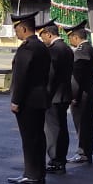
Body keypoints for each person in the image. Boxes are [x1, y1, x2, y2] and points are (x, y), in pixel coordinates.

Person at [7, 11, 50, 184]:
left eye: (16, 29)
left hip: (28, 101)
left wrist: (16, 100)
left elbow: (21, 77)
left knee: (30, 138)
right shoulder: (41, 46)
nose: (16, 33)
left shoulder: (27, 48)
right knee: (38, 137)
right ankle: (38, 172)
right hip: (39, 98)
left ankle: (32, 173)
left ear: (24, 29)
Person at [37, 19, 73, 174]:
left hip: (54, 96)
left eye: (42, 36)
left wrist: (45, 96)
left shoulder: (54, 50)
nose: (42, 39)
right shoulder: (66, 48)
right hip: (64, 94)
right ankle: (60, 159)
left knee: (52, 130)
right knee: (61, 128)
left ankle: (56, 160)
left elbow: (50, 77)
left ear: (49, 34)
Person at [65, 21, 93, 164]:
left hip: (82, 95)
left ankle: (83, 152)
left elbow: (77, 78)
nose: (70, 41)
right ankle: (86, 152)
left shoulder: (81, 52)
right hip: (90, 92)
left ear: (75, 37)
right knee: (87, 125)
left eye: (70, 38)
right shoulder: (91, 49)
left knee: (82, 125)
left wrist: (74, 96)